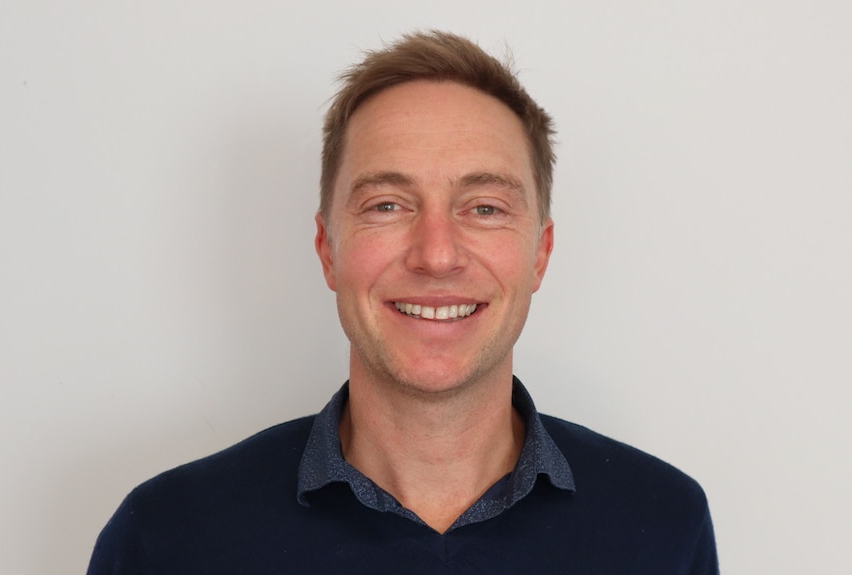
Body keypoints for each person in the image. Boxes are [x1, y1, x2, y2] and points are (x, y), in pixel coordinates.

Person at [87, 30, 718, 574]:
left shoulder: (662, 524)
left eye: (485, 208)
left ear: (540, 254)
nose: (437, 254)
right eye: (387, 205)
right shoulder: (169, 537)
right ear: (328, 248)